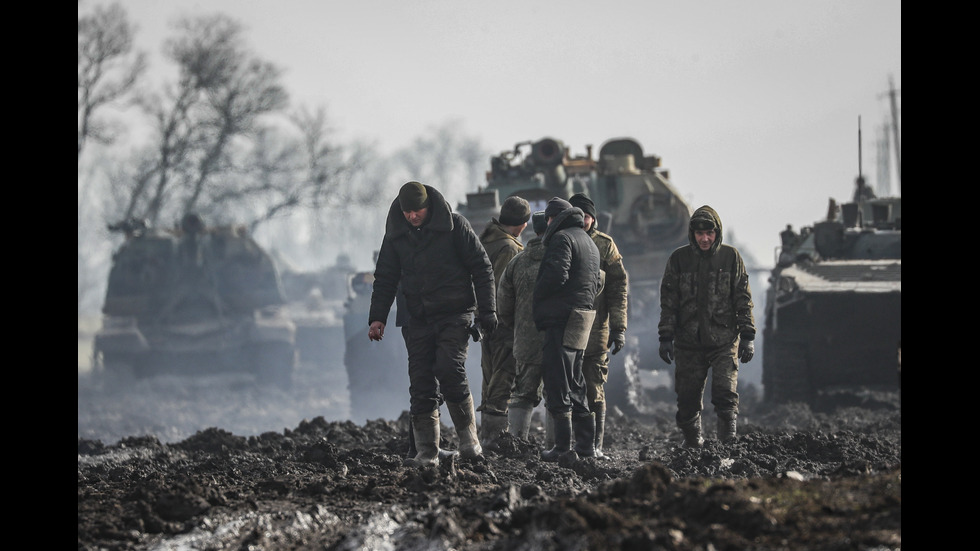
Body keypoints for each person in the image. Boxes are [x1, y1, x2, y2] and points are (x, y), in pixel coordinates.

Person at [368, 181, 497, 466]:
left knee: (450, 368)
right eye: (408, 212)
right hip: (416, 318)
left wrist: (487, 311)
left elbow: (481, 267)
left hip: (455, 313)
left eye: (419, 210)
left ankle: (469, 442)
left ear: (429, 206)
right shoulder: (395, 235)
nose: (413, 216)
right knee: (422, 381)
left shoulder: (456, 227)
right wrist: (377, 317)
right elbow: (386, 277)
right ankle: (427, 452)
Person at [657, 205, 756, 447]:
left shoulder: (730, 258)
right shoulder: (679, 259)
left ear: (716, 233)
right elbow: (669, 301)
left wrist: (747, 335)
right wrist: (665, 337)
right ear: (692, 233)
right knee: (687, 398)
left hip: (724, 339)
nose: (704, 239)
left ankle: (728, 444)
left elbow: (743, 298)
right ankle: (692, 443)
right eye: (699, 233)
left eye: (709, 233)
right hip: (688, 341)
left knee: (725, 393)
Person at [532, 197, 601, 461]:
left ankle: (562, 447)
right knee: (576, 382)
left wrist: (538, 295)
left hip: (560, 320)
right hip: (581, 319)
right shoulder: (589, 241)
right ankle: (586, 446)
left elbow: (556, 275)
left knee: (557, 382)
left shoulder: (562, 239)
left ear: (553, 218)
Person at [567, 193, 628, 460]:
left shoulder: (606, 246)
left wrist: (619, 327)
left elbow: (618, 288)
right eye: (577, 216)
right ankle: (568, 444)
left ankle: (595, 446)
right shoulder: (560, 241)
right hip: (566, 328)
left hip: (597, 329)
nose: (583, 221)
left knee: (594, 387)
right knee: (565, 388)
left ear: (594, 218)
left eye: (587, 216)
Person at [476, 196, 530, 447]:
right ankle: (493, 435)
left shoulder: (487, 241)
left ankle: (486, 433)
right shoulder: (509, 248)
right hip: (502, 322)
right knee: (504, 373)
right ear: (521, 224)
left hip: (485, 319)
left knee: (489, 374)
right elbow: (502, 289)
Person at [497, 210, 548, 439]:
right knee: (558, 394)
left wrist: (517, 327)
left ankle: (517, 440)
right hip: (557, 341)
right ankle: (555, 446)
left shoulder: (516, 263)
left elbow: (503, 305)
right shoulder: (563, 257)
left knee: (522, 393)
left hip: (525, 342)